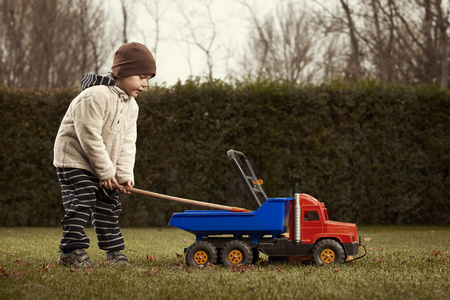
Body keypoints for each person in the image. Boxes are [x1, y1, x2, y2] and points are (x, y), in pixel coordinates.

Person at [53, 42, 156, 267]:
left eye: (149, 79)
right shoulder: (95, 96)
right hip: (75, 160)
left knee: (109, 205)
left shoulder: (132, 106)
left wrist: (123, 175)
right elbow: (89, 137)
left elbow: (128, 143)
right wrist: (106, 171)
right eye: (141, 77)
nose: (145, 84)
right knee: (82, 200)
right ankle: (70, 251)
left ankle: (114, 254)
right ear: (123, 72)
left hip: (102, 166)